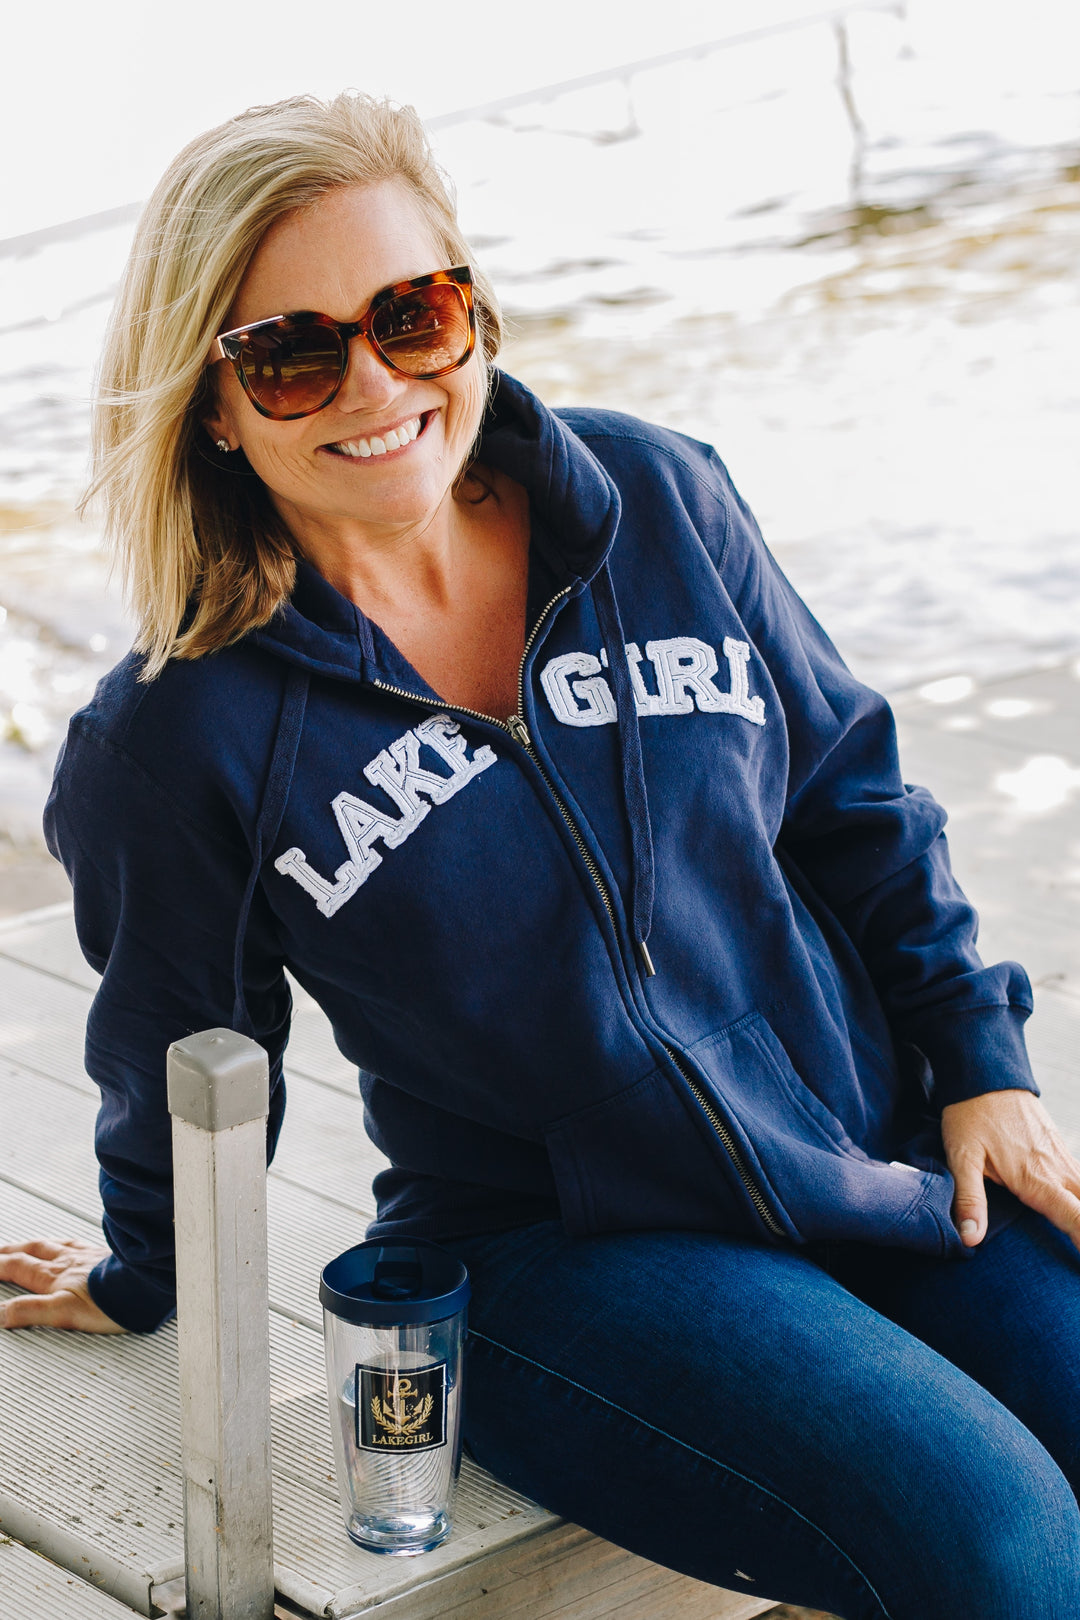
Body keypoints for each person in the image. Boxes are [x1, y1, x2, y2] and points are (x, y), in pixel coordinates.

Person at [1, 92, 1079, 1617]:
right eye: (293, 353)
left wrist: (981, 1060)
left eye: (411, 315)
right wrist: (137, 1273)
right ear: (215, 406)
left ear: (475, 314)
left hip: (862, 1149)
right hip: (560, 1258)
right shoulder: (174, 737)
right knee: (1004, 1544)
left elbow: (851, 792)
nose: (374, 383)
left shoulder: (661, 501)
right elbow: (186, 1059)